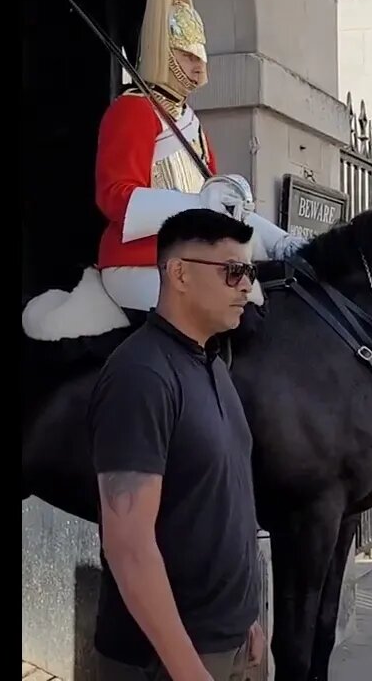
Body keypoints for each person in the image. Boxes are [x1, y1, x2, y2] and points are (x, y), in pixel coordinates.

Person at [21, 0, 307, 347]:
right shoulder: (133, 111)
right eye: (189, 57)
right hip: (136, 260)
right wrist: (196, 204)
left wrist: (277, 240)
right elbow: (116, 197)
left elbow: (221, 211)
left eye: (201, 58)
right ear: (164, 50)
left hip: (191, 259)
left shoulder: (193, 125)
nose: (199, 69)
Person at [89, 209, 267, 680]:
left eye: (249, 272)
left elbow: (231, 500)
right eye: (233, 271)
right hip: (167, 659)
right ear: (180, 273)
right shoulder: (141, 376)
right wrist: (189, 669)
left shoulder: (212, 366)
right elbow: (128, 546)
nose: (246, 286)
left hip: (233, 644)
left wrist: (251, 618)